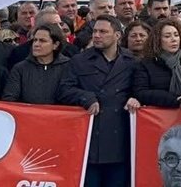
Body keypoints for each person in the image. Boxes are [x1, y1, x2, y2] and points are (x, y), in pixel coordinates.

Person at [57, 15, 141, 186]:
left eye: (103, 32)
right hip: (90, 143)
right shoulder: (80, 61)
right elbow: (64, 90)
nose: (96, 35)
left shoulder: (132, 61)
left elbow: (141, 89)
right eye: (95, 31)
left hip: (120, 142)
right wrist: (86, 97)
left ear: (117, 35)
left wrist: (136, 99)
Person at [134, 19, 181, 109]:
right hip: (159, 114)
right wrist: (174, 99)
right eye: (167, 36)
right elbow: (141, 92)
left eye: (176, 35)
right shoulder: (145, 64)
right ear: (158, 40)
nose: (173, 39)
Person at [2, 24, 71, 104]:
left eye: (42, 41)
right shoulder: (20, 69)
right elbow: (9, 99)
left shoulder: (68, 67)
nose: (36, 44)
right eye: (35, 40)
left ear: (55, 45)